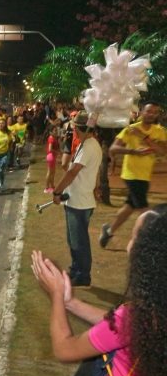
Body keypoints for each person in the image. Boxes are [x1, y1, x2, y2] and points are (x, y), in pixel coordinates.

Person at [31, 208, 167, 376]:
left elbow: (64, 348)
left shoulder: (133, 317)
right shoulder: (155, 309)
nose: (129, 244)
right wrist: (70, 303)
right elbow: (117, 328)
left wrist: (56, 296)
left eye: (135, 237)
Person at [100, 101, 167, 248]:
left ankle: (109, 231)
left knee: (129, 207)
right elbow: (113, 148)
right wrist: (132, 151)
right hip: (131, 174)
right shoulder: (130, 129)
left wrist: (144, 138)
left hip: (144, 175)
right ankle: (152, 241)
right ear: (142, 111)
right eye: (148, 111)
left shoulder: (159, 131)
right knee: (145, 211)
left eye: (155, 112)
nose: (151, 114)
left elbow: (163, 151)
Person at [51, 112, 102, 288]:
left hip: (80, 202)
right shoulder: (87, 144)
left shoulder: (89, 146)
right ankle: (76, 269)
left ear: (78, 128)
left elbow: (73, 172)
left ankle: (82, 275)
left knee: (79, 240)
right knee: (73, 238)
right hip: (77, 199)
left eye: (74, 127)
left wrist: (57, 191)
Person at [44, 126, 60, 194]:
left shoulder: (54, 138)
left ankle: (52, 186)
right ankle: (47, 187)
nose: (56, 132)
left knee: (53, 172)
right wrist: (57, 152)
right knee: (50, 172)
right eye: (55, 130)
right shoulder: (51, 138)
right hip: (51, 156)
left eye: (56, 130)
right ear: (51, 132)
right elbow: (50, 149)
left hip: (52, 156)